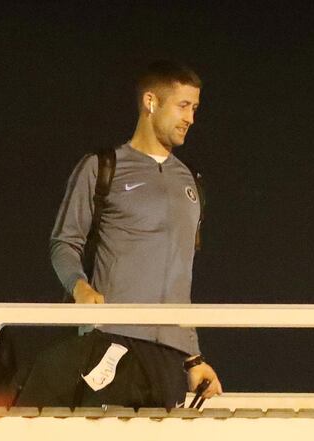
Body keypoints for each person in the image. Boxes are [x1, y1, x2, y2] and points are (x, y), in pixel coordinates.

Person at [48, 60, 222, 407]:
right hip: (112, 340)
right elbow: (63, 243)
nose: (191, 118)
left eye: (196, 108)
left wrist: (193, 356)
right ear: (151, 102)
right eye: (183, 105)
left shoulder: (191, 182)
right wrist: (79, 287)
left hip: (169, 357)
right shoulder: (101, 166)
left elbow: (179, 279)